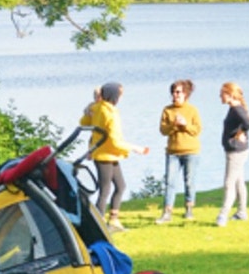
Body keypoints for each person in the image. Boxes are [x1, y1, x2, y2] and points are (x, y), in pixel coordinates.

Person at [80, 82, 149, 231]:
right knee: (105, 190)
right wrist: (136, 148)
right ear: (114, 96)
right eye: (120, 94)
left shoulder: (98, 107)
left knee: (120, 186)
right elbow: (116, 141)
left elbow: (84, 123)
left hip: (110, 155)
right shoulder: (108, 112)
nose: (121, 97)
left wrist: (88, 112)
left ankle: (113, 221)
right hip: (104, 155)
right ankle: (97, 225)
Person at [155, 80, 202, 223]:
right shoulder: (167, 110)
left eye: (178, 92)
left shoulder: (192, 110)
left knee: (189, 181)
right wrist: (174, 125)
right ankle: (167, 212)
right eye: (173, 92)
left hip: (191, 152)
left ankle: (189, 209)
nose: (175, 95)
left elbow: (197, 130)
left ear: (186, 94)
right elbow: (163, 130)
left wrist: (185, 125)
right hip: (173, 152)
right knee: (170, 182)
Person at [215, 81, 249, 227]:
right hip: (235, 150)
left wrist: (241, 132)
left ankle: (222, 216)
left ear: (230, 94)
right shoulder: (234, 108)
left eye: (222, 94)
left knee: (229, 183)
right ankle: (242, 212)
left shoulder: (237, 108)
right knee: (238, 182)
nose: (220, 96)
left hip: (237, 152)